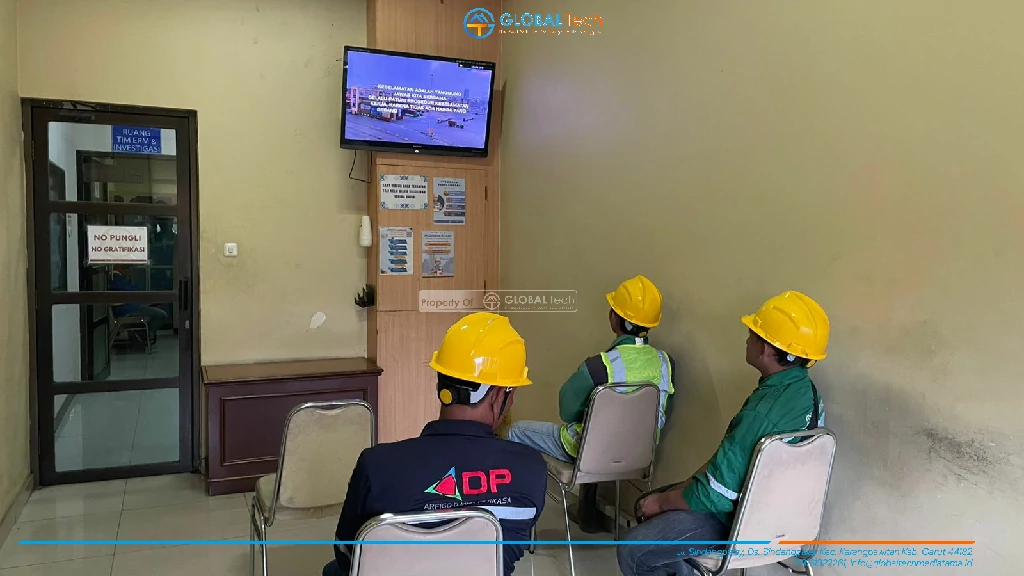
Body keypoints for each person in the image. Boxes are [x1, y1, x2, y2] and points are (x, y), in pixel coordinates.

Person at [617, 291, 830, 576]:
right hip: (788, 522)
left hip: (742, 523)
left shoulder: (762, 413)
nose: (747, 339)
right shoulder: (808, 395)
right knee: (660, 501)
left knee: (633, 547)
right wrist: (681, 488)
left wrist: (661, 502)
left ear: (767, 348)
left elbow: (713, 494)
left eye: (753, 333)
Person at [324, 312, 546, 576]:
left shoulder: (376, 465)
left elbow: (347, 556)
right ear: (500, 395)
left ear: (440, 384)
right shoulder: (530, 467)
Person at [506, 275, 675, 533]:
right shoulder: (665, 363)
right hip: (640, 455)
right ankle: (587, 513)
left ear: (617, 319)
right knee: (599, 431)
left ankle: (514, 517)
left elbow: (566, 411)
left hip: (591, 453)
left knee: (516, 431)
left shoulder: (600, 366)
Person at [109, 265, 167, 345]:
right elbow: (127, 293)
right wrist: (130, 280)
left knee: (154, 309)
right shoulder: (116, 276)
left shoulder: (121, 276)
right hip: (126, 310)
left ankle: (145, 335)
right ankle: (148, 336)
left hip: (130, 306)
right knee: (161, 315)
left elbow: (133, 292)